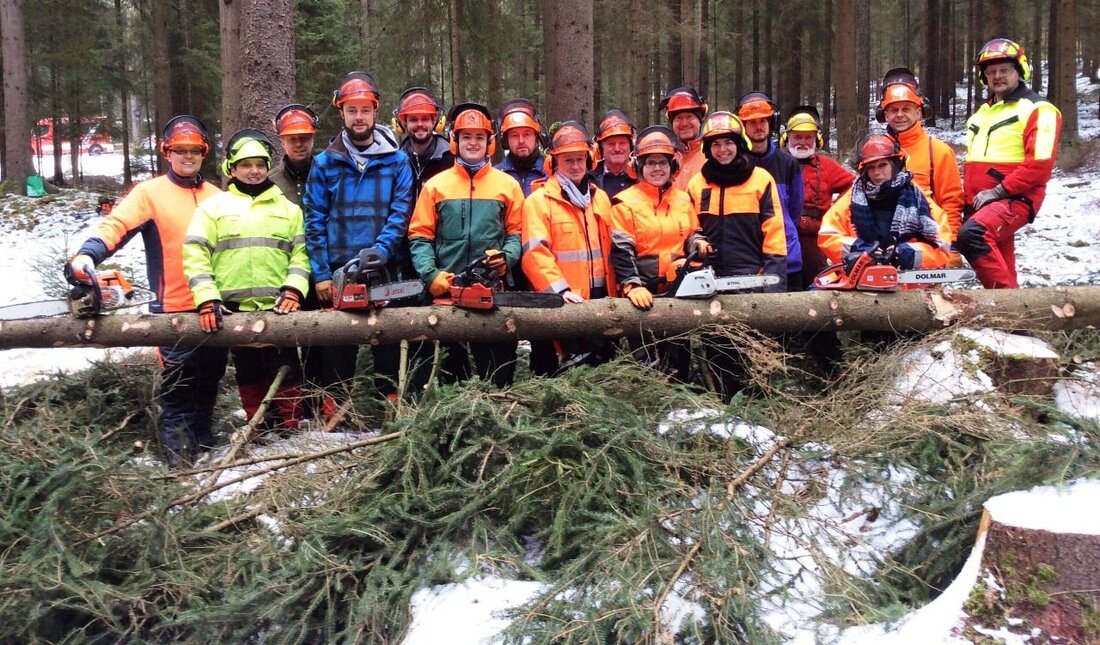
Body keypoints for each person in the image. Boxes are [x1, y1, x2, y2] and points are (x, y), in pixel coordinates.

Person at [67, 115, 223, 469]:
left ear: (204, 153)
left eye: (194, 150)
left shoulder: (217, 196)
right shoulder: (150, 193)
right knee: (180, 388)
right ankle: (179, 462)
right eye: (180, 150)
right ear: (167, 152)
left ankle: (207, 448)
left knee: (210, 382)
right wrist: (88, 253)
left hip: (215, 307)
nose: (187, 156)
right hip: (173, 312)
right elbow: (117, 224)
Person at [302, 71, 418, 410]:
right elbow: (314, 220)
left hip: (383, 271)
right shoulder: (325, 163)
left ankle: (391, 411)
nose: (359, 117)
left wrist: (380, 252)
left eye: (365, 110)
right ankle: (334, 417)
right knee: (336, 351)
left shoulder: (397, 162)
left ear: (375, 111)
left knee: (387, 346)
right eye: (352, 110)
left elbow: (400, 213)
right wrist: (322, 274)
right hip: (338, 269)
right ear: (342, 112)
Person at [182, 130, 310, 433]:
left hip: (281, 309)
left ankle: (291, 429)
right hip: (234, 311)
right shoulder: (212, 208)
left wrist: (293, 289)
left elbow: (301, 256)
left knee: (288, 371)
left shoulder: (289, 210)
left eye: (259, 165)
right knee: (248, 372)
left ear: (268, 167)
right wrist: (206, 298)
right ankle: (258, 425)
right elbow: (195, 254)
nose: (254, 171)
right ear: (232, 169)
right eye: (246, 165)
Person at [408, 102, 525, 388]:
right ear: (455, 141)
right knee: (449, 374)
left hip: (490, 290)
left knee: (497, 375)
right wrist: (430, 274)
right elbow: (419, 236)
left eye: (479, 138)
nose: (473, 143)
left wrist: (507, 257)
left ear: (489, 143)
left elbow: (517, 233)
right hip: (447, 289)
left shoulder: (507, 185)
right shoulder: (436, 186)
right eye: (466, 137)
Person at [685, 112, 787, 401]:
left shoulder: (760, 179)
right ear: (707, 149)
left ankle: (758, 405)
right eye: (715, 145)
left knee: (751, 345)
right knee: (716, 344)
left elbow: (775, 233)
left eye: (728, 143)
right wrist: (695, 241)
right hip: (710, 275)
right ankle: (723, 402)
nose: (722, 150)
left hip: (751, 273)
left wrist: (773, 282)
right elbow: (688, 226)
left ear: (739, 144)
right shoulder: (697, 183)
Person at [958, 38, 1062, 289]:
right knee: (1002, 261)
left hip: (1014, 198)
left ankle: (1007, 310)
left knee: (973, 236)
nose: (997, 76)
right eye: (991, 72)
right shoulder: (982, 114)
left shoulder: (1039, 109)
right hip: (981, 200)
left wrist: (998, 191)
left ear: (1019, 70)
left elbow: (1040, 165)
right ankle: (1016, 319)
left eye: (1004, 70)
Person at [521, 121, 616, 373]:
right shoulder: (539, 202)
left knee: (601, 373)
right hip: (560, 302)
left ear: (589, 160)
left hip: (600, 299)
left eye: (579, 159)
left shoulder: (600, 198)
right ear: (554, 163)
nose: (575, 166)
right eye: (567, 161)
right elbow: (534, 253)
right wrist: (559, 291)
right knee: (561, 375)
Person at [607, 125, 699, 382]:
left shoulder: (682, 199)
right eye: (650, 163)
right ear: (639, 167)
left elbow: (691, 232)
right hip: (642, 292)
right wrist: (631, 285)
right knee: (646, 365)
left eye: (662, 163)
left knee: (678, 358)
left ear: (672, 166)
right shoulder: (625, 202)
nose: (657, 168)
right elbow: (621, 249)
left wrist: (698, 242)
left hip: (678, 290)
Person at [818, 134, 952, 272]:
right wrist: (861, 250)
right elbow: (828, 236)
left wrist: (905, 254)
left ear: (895, 164)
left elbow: (942, 243)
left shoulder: (917, 198)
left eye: (882, 165)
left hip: (910, 283)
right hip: (861, 276)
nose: (877, 172)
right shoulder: (852, 199)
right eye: (871, 167)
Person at [876, 68, 965, 261]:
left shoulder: (938, 151)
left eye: (906, 109)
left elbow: (951, 202)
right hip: (883, 242)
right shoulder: (876, 150)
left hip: (926, 244)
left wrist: (952, 243)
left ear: (919, 112)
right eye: (893, 110)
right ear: (885, 114)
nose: (899, 115)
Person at [269, 103, 324, 415]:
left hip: (321, 272)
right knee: (285, 345)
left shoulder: (328, 172)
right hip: (282, 275)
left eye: (305, 137)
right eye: (293, 138)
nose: (300, 143)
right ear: (282, 141)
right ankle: (289, 414)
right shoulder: (271, 182)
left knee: (321, 341)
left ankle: (317, 407)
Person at [780, 106, 855, 281]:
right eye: (797, 137)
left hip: (816, 239)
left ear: (817, 139)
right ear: (786, 138)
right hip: (783, 237)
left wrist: (834, 212)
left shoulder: (827, 166)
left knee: (817, 283)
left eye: (808, 137)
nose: (803, 142)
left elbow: (854, 186)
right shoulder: (778, 163)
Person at [737, 91, 804, 290]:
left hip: (787, 256)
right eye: (752, 122)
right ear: (743, 126)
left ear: (771, 122)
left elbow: (795, 211)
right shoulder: (736, 165)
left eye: (762, 121)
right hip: (749, 257)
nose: (758, 126)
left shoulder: (788, 163)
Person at [392, 86, 453, 199]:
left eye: (425, 119)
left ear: (435, 122)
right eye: (413, 119)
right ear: (403, 124)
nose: (420, 124)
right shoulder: (395, 162)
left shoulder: (450, 160)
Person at [495, 98, 547, 196]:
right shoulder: (495, 176)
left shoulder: (551, 173)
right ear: (506, 140)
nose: (521, 141)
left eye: (527, 134)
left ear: (537, 136)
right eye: (514, 135)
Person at [659, 86, 707, 190]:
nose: (684, 123)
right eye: (679, 118)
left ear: (700, 120)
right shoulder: (664, 155)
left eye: (689, 116)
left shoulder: (713, 154)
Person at [270, 103, 318, 204]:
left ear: (312, 140)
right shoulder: (270, 182)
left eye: (303, 138)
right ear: (283, 143)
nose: (298, 144)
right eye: (292, 139)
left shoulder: (328, 176)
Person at [590, 109, 637, 199]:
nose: (617, 149)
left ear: (631, 146)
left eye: (622, 143)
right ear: (601, 147)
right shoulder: (589, 178)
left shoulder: (642, 176)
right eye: (611, 144)